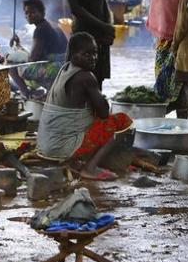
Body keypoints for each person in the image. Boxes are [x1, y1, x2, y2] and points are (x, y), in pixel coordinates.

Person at [35, 32, 133, 181]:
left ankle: (78, 161)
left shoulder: (65, 69)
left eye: (94, 53)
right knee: (122, 121)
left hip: (44, 146)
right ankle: (90, 168)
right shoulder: (86, 77)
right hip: (60, 148)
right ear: (74, 54)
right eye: (86, 54)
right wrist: (102, 98)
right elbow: (104, 113)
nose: (92, 58)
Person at [9, 0, 69, 98]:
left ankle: (27, 94)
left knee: (11, 66)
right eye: (26, 13)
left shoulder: (41, 29)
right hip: (63, 64)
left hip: (54, 67)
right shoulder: (49, 24)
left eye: (33, 12)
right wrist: (19, 46)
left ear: (42, 13)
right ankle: (36, 93)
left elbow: (33, 58)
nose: (29, 15)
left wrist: (16, 50)